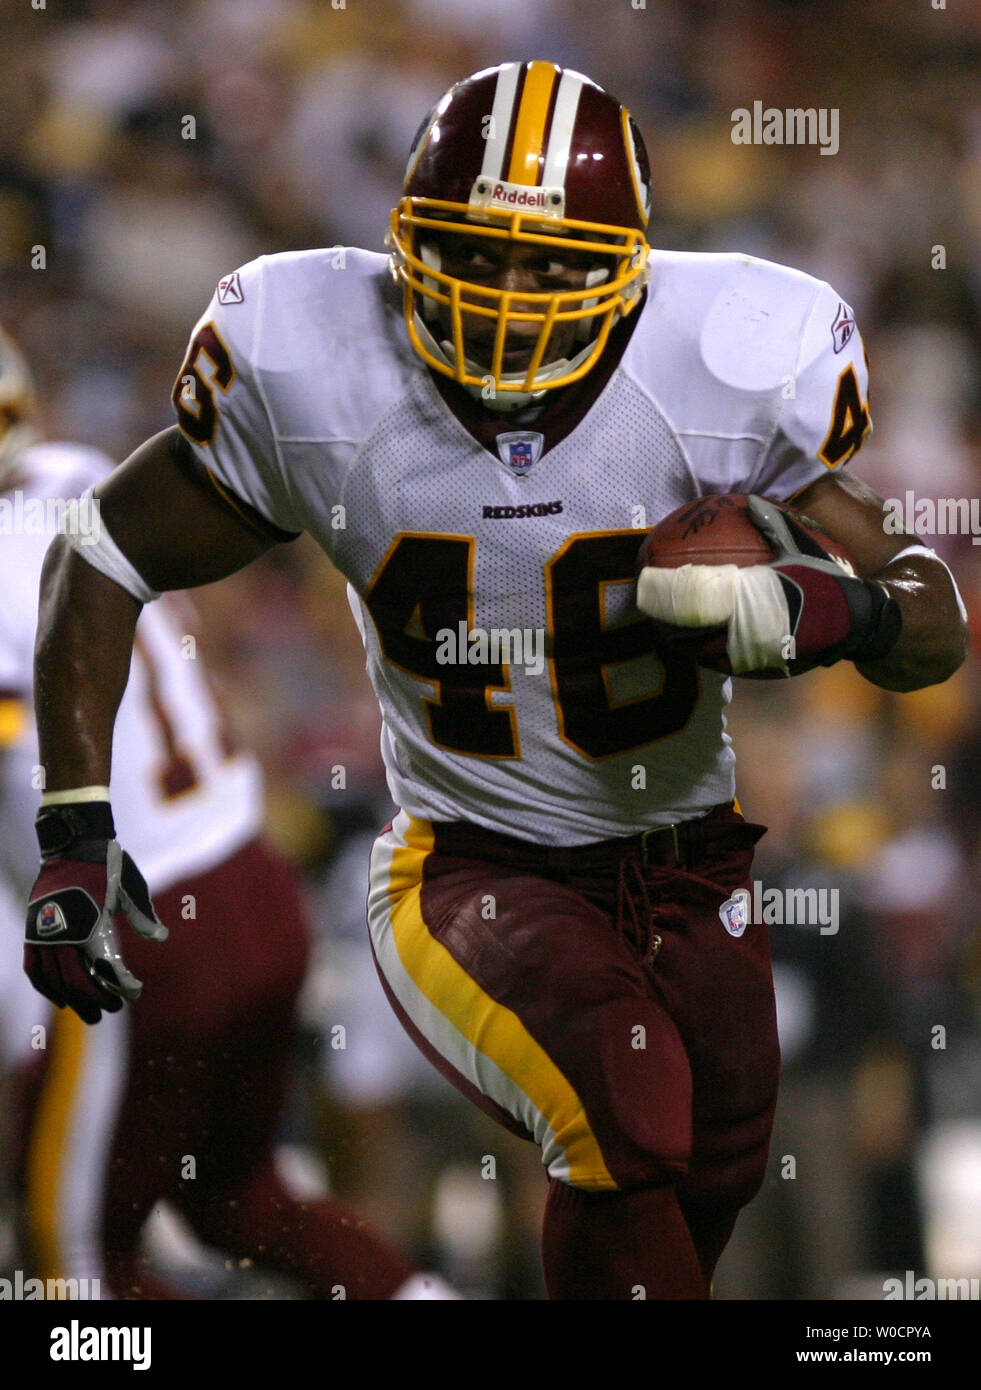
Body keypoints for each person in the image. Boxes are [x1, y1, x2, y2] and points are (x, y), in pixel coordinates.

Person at [22, 62, 968, 1300]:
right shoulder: (313, 363)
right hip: (469, 864)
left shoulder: (728, 364)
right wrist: (74, 822)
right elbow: (98, 555)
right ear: (405, 239)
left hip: (692, 862)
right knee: (622, 1117)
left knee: (713, 1165)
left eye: (551, 265)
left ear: (630, 264)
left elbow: (931, 621)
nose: (505, 296)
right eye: (473, 252)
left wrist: (821, 606)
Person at [0, 326, 448, 1300]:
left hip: (142, 929)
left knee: (65, 1260)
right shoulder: (78, 474)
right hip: (254, 882)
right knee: (243, 1199)